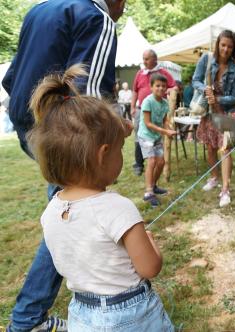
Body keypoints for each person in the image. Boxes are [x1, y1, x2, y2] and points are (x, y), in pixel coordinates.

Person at [1, 1, 126, 331]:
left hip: (29, 120)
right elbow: (92, 95)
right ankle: (28, 318)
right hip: (66, 131)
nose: (124, 9)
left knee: (65, 205)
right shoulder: (98, 18)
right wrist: (119, 128)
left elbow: (11, 78)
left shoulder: (39, 10)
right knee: (71, 212)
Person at [28, 65, 173, 331]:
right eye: (119, 149)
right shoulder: (118, 208)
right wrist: (151, 244)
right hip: (131, 317)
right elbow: (150, 267)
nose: (121, 154)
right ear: (102, 154)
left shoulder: (50, 213)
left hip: (82, 315)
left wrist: (118, 128)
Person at [192, 29, 235, 207]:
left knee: (225, 148)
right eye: (223, 45)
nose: (226, 49)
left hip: (227, 112)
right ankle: (214, 177)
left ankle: (225, 189)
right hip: (208, 112)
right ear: (218, 44)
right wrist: (206, 90)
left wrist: (218, 98)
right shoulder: (206, 60)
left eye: (230, 46)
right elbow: (195, 80)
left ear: (233, 48)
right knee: (211, 147)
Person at [131, 49, 176, 176]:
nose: (144, 61)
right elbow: (134, 90)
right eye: (143, 58)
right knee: (140, 137)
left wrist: (169, 91)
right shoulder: (140, 73)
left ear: (154, 59)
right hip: (142, 109)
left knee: (154, 137)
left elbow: (174, 86)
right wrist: (132, 107)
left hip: (158, 109)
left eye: (146, 59)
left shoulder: (163, 73)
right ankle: (139, 164)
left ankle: (155, 160)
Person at [138, 73, 176, 207]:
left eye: (163, 86)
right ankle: (148, 193)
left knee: (161, 162)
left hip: (156, 137)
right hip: (146, 136)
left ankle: (153, 186)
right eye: (157, 86)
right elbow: (148, 123)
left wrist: (168, 127)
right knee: (152, 161)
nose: (161, 88)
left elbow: (164, 121)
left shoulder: (165, 103)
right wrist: (165, 131)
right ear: (151, 87)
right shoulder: (147, 101)